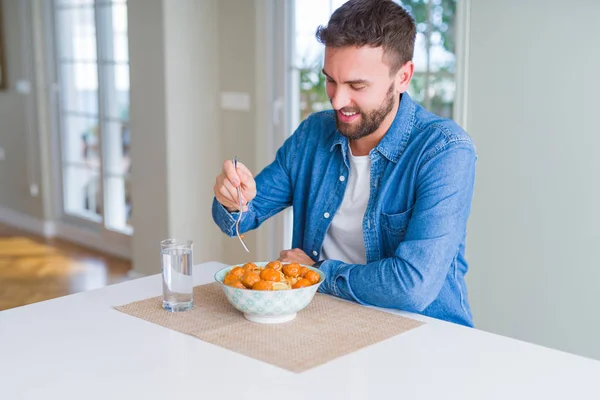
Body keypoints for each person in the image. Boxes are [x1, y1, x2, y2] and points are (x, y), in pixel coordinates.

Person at [212, 0, 477, 327]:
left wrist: (317, 271)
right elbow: (241, 218)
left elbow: (412, 287)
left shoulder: (444, 151)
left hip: (421, 334)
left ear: (403, 77)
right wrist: (233, 198)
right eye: (331, 81)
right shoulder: (314, 133)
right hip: (327, 321)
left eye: (357, 85)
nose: (337, 100)